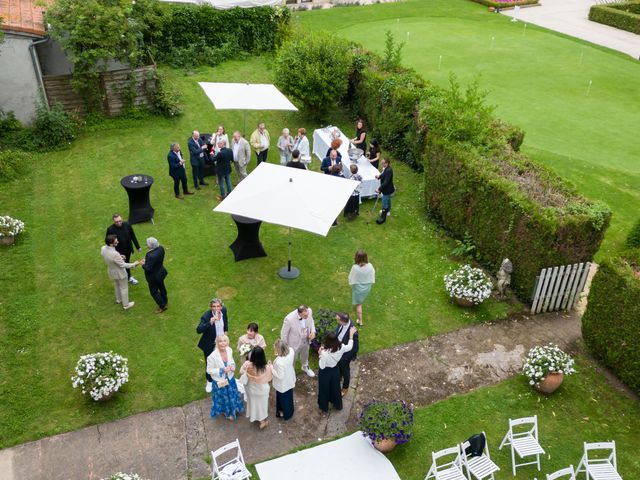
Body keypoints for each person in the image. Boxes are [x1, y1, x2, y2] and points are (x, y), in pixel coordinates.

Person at [317, 328, 356, 412]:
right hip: (335, 370)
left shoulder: (324, 353)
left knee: (324, 389)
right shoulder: (341, 347)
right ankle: (337, 404)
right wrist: (351, 336)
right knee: (335, 388)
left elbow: (322, 366)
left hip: (325, 372)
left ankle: (324, 406)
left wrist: (320, 354)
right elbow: (350, 347)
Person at [207, 335, 244, 421]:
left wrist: (233, 366)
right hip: (220, 382)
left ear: (227, 342)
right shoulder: (212, 356)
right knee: (224, 399)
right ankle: (227, 413)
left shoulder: (229, 350)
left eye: (225, 341)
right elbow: (209, 370)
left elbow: (232, 361)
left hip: (230, 379)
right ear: (217, 343)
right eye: (220, 341)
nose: (223, 343)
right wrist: (221, 370)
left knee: (232, 395)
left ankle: (234, 408)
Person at [100, 234, 142, 310]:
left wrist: (120, 257)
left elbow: (110, 257)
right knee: (124, 288)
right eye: (116, 242)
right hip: (120, 273)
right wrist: (135, 264)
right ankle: (126, 305)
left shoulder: (103, 248)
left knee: (116, 285)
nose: (118, 242)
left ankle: (118, 300)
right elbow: (123, 265)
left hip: (111, 271)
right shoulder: (115, 254)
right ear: (111, 243)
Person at [197, 299, 229, 393]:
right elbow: (198, 330)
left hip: (221, 342)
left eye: (218, 306)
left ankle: (223, 380)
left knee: (223, 361)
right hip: (210, 344)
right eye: (214, 307)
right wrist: (209, 323)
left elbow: (225, 323)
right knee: (210, 363)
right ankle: (209, 381)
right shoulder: (206, 316)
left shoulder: (223, 310)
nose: (216, 309)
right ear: (211, 307)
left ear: (221, 307)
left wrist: (225, 336)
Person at [239, 346, 272, 429]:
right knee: (261, 406)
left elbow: (241, 372)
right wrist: (270, 365)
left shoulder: (247, 364)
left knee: (253, 403)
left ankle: (253, 416)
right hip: (261, 391)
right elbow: (270, 377)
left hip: (251, 389)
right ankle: (262, 422)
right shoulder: (266, 368)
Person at [280, 305, 316, 377]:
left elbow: (311, 321)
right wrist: (286, 348)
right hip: (294, 344)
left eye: (307, 314)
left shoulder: (309, 311)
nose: (307, 316)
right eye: (305, 315)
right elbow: (283, 334)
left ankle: (305, 367)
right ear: (299, 313)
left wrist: (313, 331)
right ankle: (291, 372)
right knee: (293, 359)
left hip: (306, 340)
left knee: (305, 355)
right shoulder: (289, 319)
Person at [105, 213, 141, 284]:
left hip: (128, 249)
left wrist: (138, 246)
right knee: (122, 264)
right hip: (118, 251)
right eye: (116, 222)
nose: (119, 223)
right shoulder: (110, 229)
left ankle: (128, 277)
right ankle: (126, 278)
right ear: (113, 221)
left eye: (120, 221)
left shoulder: (127, 224)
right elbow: (108, 242)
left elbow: (133, 236)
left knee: (126, 261)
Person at [349, 249, 376, 325]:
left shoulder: (355, 268)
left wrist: (352, 283)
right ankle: (358, 304)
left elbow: (351, 278)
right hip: (367, 288)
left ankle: (360, 321)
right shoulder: (370, 266)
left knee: (358, 304)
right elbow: (372, 275)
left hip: (358, 289)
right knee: (359, 301)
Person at [335, 312, 359, 397]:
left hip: (345, 355)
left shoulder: (353, 331)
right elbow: (336, 333)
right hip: (338, 350)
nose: (336, 321)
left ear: (342, 321)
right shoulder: (341, 324)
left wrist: (345, 358)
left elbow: (355, 348)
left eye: (337, 320)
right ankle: (339, 377)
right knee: (338, 368)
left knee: (346, 371)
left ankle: (345, 388)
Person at [142, 237, 168, 313]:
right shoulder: (161, 248)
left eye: (147, 244)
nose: (146, 245)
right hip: (160, 272)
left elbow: (148, 268)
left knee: (154, 292)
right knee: (161, 286)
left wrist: (143, 264)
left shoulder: (150, 255)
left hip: (153, 277)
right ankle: (165, 301)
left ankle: (162, 306)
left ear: (151, 246)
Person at [271, 339, 296, 420]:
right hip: (290, 378)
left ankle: (286, 413)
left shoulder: (279, 363)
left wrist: (271, 368)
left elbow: (280, 376)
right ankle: (289, 411)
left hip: (283, 384)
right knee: (289, 397)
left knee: (283, 399)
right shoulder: (291, 351)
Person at [376, 157, 395, 224]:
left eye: (383, 163)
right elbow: (383, 175)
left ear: (387, 163)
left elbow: (386, 182)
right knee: (388, 200)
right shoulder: (386, 169)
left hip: (387, 189)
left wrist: (379, 189)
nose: (381, 164)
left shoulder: (389, 171)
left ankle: (383, 218)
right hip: (388, 188)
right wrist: (379, 176)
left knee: (384, 203)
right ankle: (388, 211)